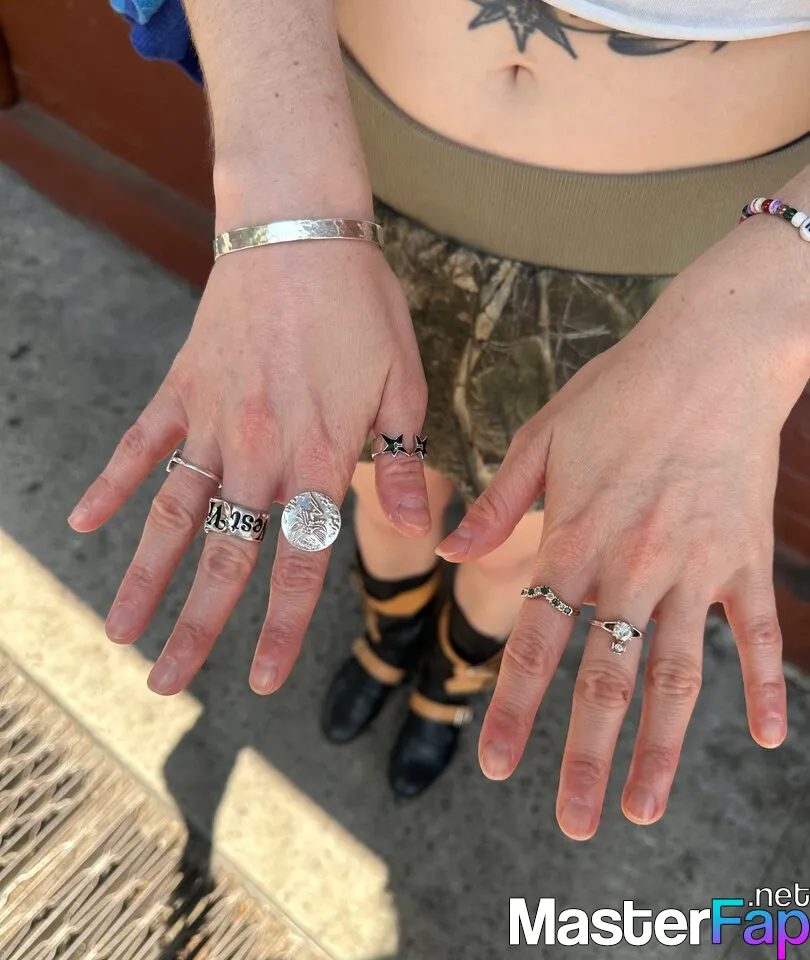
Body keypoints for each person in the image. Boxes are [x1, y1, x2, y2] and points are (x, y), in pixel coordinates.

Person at [73, 0, 810, 837]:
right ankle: (390, 630)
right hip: (348, 183)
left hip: (674, 274)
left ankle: (455, 674)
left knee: (520, 545)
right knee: (379, 487)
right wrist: (279, 199)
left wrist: (774, 305)